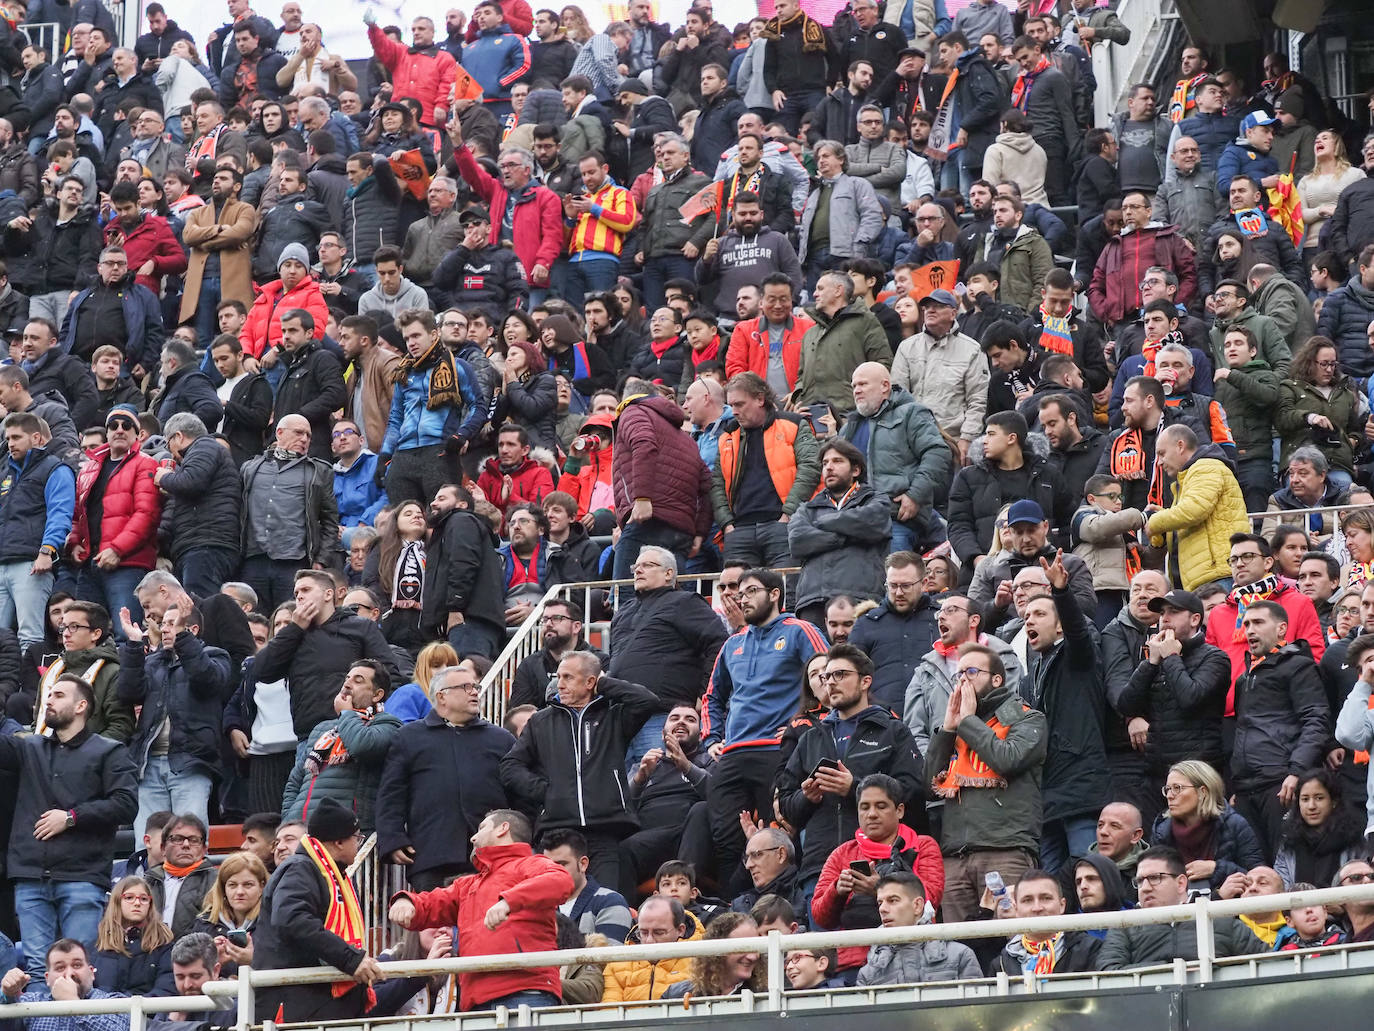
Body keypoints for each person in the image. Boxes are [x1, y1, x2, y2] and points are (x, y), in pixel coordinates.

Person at [0, 674, 136, 976]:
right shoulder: (28, 748)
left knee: (77, 970)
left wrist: (71, 817)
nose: (49, 700)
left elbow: (126, 804)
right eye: (48, 695)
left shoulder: (109, 751)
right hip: (30, 876)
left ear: (81, 706)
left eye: (59, 695)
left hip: (81, 875)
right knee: (37, 970)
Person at [702, 567, 825, 890]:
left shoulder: (799, 630)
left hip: (775, 749)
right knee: (728, 840)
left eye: (751, 591)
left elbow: (828, 676)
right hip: (732, 753)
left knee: (777, 837)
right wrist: (711, 738)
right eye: (739, 594)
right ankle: (737, 910)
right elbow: (713, 695)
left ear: (775, 594)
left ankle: (783, 908)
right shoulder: (733, 644)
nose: (742, 599)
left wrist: (802, 728)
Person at [388, 808, 573, 1012]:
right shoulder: (466, 885)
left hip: (527, 993)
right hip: (476, 1001)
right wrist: (406, 902)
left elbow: (560, 880)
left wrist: (509, 901)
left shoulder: (531, 864)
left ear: (503, 828)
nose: (473, 838)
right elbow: (431, 902)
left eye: (482, 828)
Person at [501, 652, 659, 889]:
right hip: (557, 830)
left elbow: (648, 700)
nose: (559, 684)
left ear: (590, 682)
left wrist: (603, 683)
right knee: (559, 904)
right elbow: (510, 766)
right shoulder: (541, 721)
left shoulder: (613, 716)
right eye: (559, 676)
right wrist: (546, 791)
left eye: (568, 677)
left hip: (605, 829)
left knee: (606, 902)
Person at [926, 642, 1047, 922]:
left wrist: (968, 720)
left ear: (997, 679)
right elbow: (930, 784)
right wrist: (946, 729)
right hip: (956, 857)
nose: (963, 680)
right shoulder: (958, 728)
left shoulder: (1027, 718)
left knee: (1011, 941)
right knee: (961, 951)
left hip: (1005, 850)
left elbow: (1008, 759)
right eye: (958, 674)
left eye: (971, 671)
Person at [252, 798, 384, 1023]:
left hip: (315, 1003)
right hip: (298, 1005)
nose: (359, 844)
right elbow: (292, 919)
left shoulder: (327, 872)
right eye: (357, 838)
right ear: (339, 842)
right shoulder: (300, 868)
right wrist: (350, 959)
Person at [117, 599, 231, 839]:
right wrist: (134, 646)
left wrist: (184, 642)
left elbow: (206, 679)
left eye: (172, 623)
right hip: (147, 766)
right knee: (148, 844)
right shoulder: (152, 662)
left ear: (192, 630)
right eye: (163, 623)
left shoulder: (217, 656)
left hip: (190, 763)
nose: (164, 629)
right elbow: (128, 693)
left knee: (190, 838)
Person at [811, 774, 943, 977]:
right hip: (856, 963)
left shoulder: (923, 845)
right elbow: (820, 917)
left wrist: (878, 890)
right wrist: (837, 891)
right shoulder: (842, 853)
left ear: (899, 810)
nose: (871, 814)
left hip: (915, 957)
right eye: (864, 807)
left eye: (881, 806)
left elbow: (929, 899)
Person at [608, 546, 726, 768]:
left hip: (662, 716)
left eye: (647, 565)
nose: (638, 570)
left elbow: (718, 643)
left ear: (669, 573)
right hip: (619, 719)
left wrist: (705, 693)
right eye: (636, 566)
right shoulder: (623, 612)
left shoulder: (685, 602)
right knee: (622, 794)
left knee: (660, 784)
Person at [250, 569, 399, 742]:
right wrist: (294, 628)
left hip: (354, 729)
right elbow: (260, 671)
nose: (299, 596)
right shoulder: (293, 635)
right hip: (308, 737)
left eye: (306, 590)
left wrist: (376, 721)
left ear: (328, 594)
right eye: (296, 593)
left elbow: (389, 675)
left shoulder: (360, 627)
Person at [1115, 589, 1230, 803]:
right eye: (1162, 613)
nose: (1165, 618)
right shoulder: (1158, 659)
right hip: (1156, 774)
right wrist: (1150, 664)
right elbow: (1126, 705)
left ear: (1196, 619)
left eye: (1174, 611)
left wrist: (1171, 657)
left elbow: (1190, 699)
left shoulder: (1215, 658)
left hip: (1198, 774)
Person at [1095, 846, 1265, 968]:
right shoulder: (1125, 926)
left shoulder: (1219, 920)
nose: (1145, 887)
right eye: (1140, 881)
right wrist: (1170, 970)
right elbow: (1108, 972)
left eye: (1154, 878)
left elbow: (1268, 962)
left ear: (1181, 883)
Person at [281, 661, 401, 833]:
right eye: (347, 678)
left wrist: (346, 713)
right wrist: (289, 821)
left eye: (358, 681)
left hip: (344, 834)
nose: (347, 684)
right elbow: (295, 782)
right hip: (303, 831)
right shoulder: (322, 729)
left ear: (377, 695)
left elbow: (361, 746)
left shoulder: (388, 724)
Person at [1205, 533, 1325, 703]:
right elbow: (1212, 667)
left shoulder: (1298, 603)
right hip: (1230, 713)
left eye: (1247, 557)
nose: (1239, 564)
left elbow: (1313, 656)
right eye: (1233, 559)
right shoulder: (1219, 613)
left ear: (1268, 562)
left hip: (1282, 708)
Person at [948, 410, 1076, 569]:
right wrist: (976, 559)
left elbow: (1068, 522)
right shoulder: (968, 477)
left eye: (991, 434)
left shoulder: (1048, 474)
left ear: (1011, 438)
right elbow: (959, 525)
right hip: (984, 572)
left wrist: (1053, 555)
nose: (984, 441)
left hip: (1042, 570)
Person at [237, 415, 339, 610]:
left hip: (294, 562)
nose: (305, 439)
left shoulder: (318, 471)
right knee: (251, 621)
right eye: (299, 433)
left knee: (289, 619)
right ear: (279, 433)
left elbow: (330, 521)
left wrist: (321, 560)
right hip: (253, 559)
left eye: (308, 436)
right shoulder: (250, 468)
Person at [788, 439, 890, 625]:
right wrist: (848, 535)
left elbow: (872, 523)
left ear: (856, 470)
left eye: (837, 461)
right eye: (825, 463)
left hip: (862, 598)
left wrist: (823, 523)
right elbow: (797, 541)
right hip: (813, 601)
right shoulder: (807, 508)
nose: (829, 467)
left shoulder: (875, 500)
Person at [1145, 423, 1250, 591]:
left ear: (1180, 446)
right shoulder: (1190, 477)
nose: (1159, 462)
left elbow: (1194, 510)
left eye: (1162, 454)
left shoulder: (1206, 466)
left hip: (1218, 576)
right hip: (1206, 578)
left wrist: (1154, 521)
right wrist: (1162, 525)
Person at [888, 291, 988, 464]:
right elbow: (896, 396)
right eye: (927, 307)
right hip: (912, 439)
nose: (931, 310)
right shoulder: (907, 347)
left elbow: (977, 400)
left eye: (939, 306)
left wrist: (967, 438)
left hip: (952, 440)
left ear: (953, 313)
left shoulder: (972, 350)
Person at [155, 413, 243, 598]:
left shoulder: (204, 446)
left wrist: (164, 477)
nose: (170, 452)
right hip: (204, 543)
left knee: (201, 608)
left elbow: (192, 481)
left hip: (206, 544)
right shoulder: (207, 450)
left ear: (178, 436)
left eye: (167, 443)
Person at [1148, 759, 1265, 893]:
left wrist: (1217, 869)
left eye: (1177, 788)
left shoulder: (1234, 825)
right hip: (1178, 910)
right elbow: (1153, 883)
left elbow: (1259, 879)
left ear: (1203, 792)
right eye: (1167, 789)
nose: (1169, 796)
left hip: (1230, 909)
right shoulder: (1161, 832)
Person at [854, 872, 979, 986]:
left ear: (917, 906)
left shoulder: (960, 956)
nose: (882, 909)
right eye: (880, 903)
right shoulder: (869, 972)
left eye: (892, 900)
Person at [988, 870, 1103, 975]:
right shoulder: (1000, 964)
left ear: (1062, 905)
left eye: (1046, 898)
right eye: (1027, 900)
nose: (1037, 908)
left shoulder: (1091, 949)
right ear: (1016, 909)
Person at [0, 939, 131, 1021]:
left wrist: (72, 1003)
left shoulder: (114, 1002)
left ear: (92, 973)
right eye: (60, 967)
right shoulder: (35, 1001)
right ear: (47, 978)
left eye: (77, 965)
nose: (69, 973)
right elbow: (10, 1003)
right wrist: (8, 992)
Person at [600, 895, 700, 1001]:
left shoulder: (702, 963)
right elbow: (610, 1012)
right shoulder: (616, 966)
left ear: (680, 930)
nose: (649, 940)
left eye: (659, 933)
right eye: (643, 933)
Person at [543, 828, 631, 944]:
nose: (553, 871)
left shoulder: (610, 901)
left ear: (583, 864)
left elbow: (610, 959)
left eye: (561, 864)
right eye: (547, 865)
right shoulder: (537, 907)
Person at [93, 875, 174, 998]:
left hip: (145, 1013)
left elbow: (166, 988)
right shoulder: (98, 941)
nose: (137, 903)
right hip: (102, 1013)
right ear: (117, 901)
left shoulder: (163, 943)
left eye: (144, 899)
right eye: (129, 898)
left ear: (150, 904)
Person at [191, 851, 268, 976]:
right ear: (223, 889)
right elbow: (189, 976)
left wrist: (255, 961)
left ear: (262, 887)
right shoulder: (204, 924)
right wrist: (211, 962)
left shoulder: (274, 922)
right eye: (232, 885)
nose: (240, 892)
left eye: (248, 885)